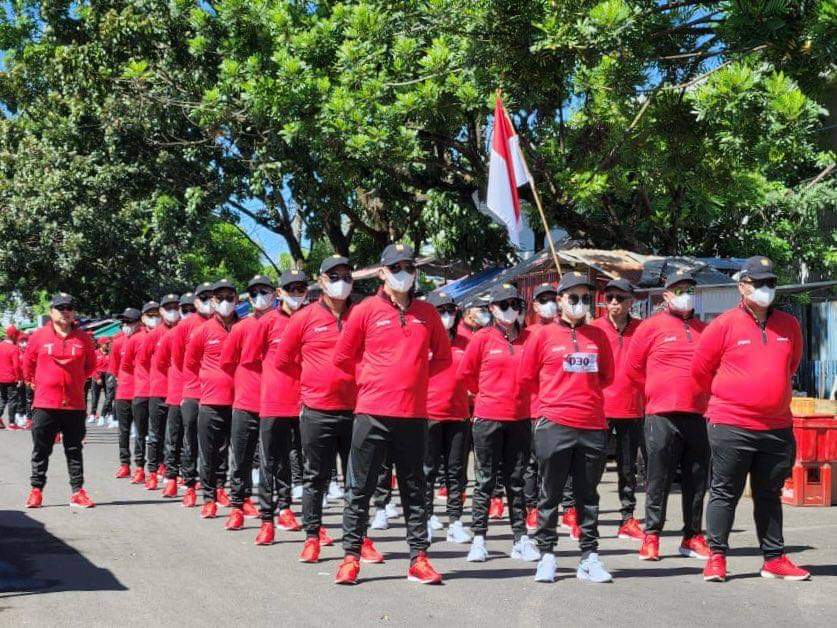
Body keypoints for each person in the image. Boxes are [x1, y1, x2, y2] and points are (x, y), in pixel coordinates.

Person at [333, 243, 451, 585]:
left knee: (415, 488)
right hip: (371, 413)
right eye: (396, 267)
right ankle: (351, 557)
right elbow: (343, 357)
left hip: (413, 415)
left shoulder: (427, 314)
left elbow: (443, 359)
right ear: (382, 273)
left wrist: (417, 383)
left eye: (409, 267)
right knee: (360, 488)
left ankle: (419, 558)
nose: (404, 274)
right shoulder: (365, 310)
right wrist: (371, 379)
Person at [693, 256, 810, 582]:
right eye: (758, 283)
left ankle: (773, 559)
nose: (765, 289)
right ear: (742, 286)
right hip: (731, 424)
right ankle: (716, 556)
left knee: (769, 493)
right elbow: (700, 371)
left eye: (770, 282)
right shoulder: (724, 324)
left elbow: (791, 366)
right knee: (724, 491)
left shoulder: (789, 325)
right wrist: (728, 400)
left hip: (776, 427)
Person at [518, 271, 615, 584]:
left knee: (589, 496)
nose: (580, 303)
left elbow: (607, 377)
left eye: (586, 298)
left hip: (592, 425)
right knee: (550, 494)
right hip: (554, 425)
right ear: (560, 300)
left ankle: (589, 557)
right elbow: (527, 377)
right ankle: (547, 554)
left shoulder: (599, 336)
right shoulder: (542, 336)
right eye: (573, 298)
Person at [274, 259, 366, 556]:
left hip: (358, 410)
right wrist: (311, 385)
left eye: (346, 276)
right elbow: (283, 361)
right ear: (322, 280)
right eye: (334, 276)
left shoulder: (362, 314)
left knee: (357, 480)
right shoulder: (304, 317)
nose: (341, 281)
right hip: (317, 410)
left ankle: (358, 540)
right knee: (315, 477)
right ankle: (312, 537)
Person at [626, 270, 710, 562]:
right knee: (658, 478)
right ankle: (651, 536)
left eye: (689, 289)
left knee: (697, 479)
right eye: (679, 289)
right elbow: (633, 368)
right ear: (666, 295)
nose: (685, 294)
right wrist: (655, 392)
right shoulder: (650, 327)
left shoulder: (704, 329)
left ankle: (692, 536)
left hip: (698, 414)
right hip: (661, 414)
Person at [458, 284, 537, 563]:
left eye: (514, 304)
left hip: (520, 418)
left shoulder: (529, 338)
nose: (510, 310)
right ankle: (479, 538)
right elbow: (466, 374)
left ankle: (521, 538)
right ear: (491, 309)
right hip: (488, 417)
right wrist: (486, 395)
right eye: (503, 305)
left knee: (516, 481)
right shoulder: (483, 338)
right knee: (485, 481)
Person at [247, 270, 307, 542]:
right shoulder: (267, 322)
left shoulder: (312, 318)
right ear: (279, 292)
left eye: (300, 288)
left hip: (307, 402)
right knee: (271, 461)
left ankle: (289, 510)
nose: (296, 293)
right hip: (274, 401)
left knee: (303, 462)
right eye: (290, 288)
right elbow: (250, 359)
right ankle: (267, 519)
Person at [23, 293, 97, 509]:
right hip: (45, 404)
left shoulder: (83, 339)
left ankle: (77, 492)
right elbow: (28, 365)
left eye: (69, 307)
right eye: (61, 307)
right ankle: (36, 490)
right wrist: (37, 384)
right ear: (51, 311)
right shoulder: (38, 336)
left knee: (74, 449)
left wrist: (75, 382)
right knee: (41, 449)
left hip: (74, 404)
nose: (65, 311)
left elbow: (90, 366)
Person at [220, 275, 277, 531]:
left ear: (274, 294)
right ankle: (237, 505)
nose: (259, 297)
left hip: (274, 404)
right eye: (253, 293)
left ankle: (271, 512)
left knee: (269, 462)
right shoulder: (240, 328)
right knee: (240, 459)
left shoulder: (285, 324)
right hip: (245, 402)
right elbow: (228, 362)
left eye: (263, 291)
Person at [590, 278, 645, 541]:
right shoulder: (594, 329)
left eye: (619, 298)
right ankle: (583, 514)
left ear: (631, 301)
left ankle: (627, 517)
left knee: (627, 467)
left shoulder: (642, 330)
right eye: (609, 297)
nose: (614, 303)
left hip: (632, 408)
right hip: (599, 408)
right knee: (592, 466)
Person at [184, 278, 240, 519]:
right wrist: (208, 383)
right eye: (219, 298)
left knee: (232, 450)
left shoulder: (244, 327)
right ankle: (209, 497)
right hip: (209, 400)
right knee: (209, 451)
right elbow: (190, 363)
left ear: (237, 300)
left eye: (229, 297)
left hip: (239, 401)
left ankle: (222, 488)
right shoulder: (202, 331)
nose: (224, 302)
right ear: (213, 301)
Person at [423, 292, 472, 544]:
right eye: (440, 310)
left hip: (459, 415)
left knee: (456, 473)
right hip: (428, 414)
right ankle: (427, 517)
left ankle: (455, 520)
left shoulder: (467, 341)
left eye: (451, 310)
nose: (447, 315)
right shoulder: (424, 340)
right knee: (427, 471)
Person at [172, 283, 215, 507]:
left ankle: (215, 487)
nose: (209, 301)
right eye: (204, 297)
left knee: (217, 444)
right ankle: (190, 485)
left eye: (212, 296)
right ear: (196, 301)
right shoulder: (185, 326)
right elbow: (180, 360)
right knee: (191, 440)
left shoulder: (225, 324)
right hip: (192, 392)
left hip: (218, 394)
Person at [523, 283, 559, 532]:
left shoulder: (566, 331)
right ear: (535, 305)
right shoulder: (530, 334)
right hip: (535, 408)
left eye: (553, 298)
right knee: (533, 462)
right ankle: (531, 507)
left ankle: (565, 508)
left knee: (558, 463)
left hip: (558, 409)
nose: (550, 303)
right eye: (544, 299)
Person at [157, 293, 194, 497]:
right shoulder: (173, 334)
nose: (188, 313)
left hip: (199, 392)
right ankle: (171, 476)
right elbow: (161, 362)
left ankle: (190, 477)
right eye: (184, 310)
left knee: (193, 438)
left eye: (191, 309)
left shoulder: (203, 329)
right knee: (174, 437)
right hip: (177, 391)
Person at [143, 294, 180, 488]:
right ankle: (152, 470)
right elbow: (143, 360)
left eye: (176, 306)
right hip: (158, 389)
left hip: (178, 390)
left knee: (174, 434)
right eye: (168, 307)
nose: (173, 310)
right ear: (162, 311)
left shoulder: (185, 330)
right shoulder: (154, 335)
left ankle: (171, 468)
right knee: (155, 433)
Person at [122, 301, 159, 484]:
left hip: (162, 392)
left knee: (158, 433)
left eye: (156, 314)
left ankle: (155, 470)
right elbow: (127, 365)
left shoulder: (167, 335)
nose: (154, 318)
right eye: (150, 315)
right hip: (142, 392)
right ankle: (139, 468)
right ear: (143, 318)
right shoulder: (135, 339)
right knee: (141, 432)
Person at [112, 308, 142, 479]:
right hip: (124, 391)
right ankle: (124, 464)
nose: (126, 325)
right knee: (123, 430)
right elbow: (115, 369)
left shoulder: (144, 338)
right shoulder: (117, 342)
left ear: (139, 322)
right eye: (124, 322)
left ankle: (140, 465)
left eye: (129, 322)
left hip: (141, 391)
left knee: (141, 430)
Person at [0, 325, 21, 430]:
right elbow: (16, 365)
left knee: (2, 399)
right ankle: (12, 423)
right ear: (13, 335)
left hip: (0, 378)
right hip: (11, 378)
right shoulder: (13, 348)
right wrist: (18, 378)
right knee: (12, 400)